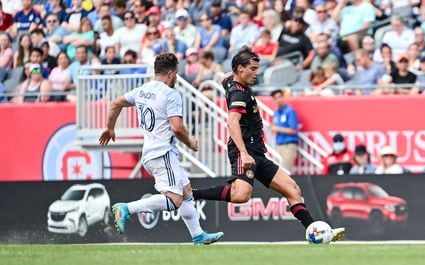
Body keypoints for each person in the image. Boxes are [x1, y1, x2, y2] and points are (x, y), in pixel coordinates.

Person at [192, 47, 345, 241]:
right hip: (244, 152)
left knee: (292, 189)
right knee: (241, 196)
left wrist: (222, 75)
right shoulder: (239, 94)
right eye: (253, 69)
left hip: (257, 152)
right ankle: (192, 194)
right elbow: (232, 122)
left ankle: (315, 232)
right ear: (240, 68)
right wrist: (244, 153)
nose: (257, 73)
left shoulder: (231, 81)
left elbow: (223, 77)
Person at [99, 53, 224, 245]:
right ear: (172, 73)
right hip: (162, 153)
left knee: (186, 192)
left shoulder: (142, 90)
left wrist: (110, 127)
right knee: (175, 200)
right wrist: (190, 142)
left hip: (151, 152)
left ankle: (198, 235)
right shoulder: (170, 94)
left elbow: (116, 103)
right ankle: (126, 208)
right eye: (177, 74)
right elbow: (176, 126)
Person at [270, 89, 299, 172]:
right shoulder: (276, 113)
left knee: (286, 171)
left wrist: (277, 129)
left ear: (283, 97)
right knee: (277, 172)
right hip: (279, 145)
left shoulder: (290, 111)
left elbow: (293, 130)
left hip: (289, 145)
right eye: (276, 98)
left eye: (280, 97)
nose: (278, 100)